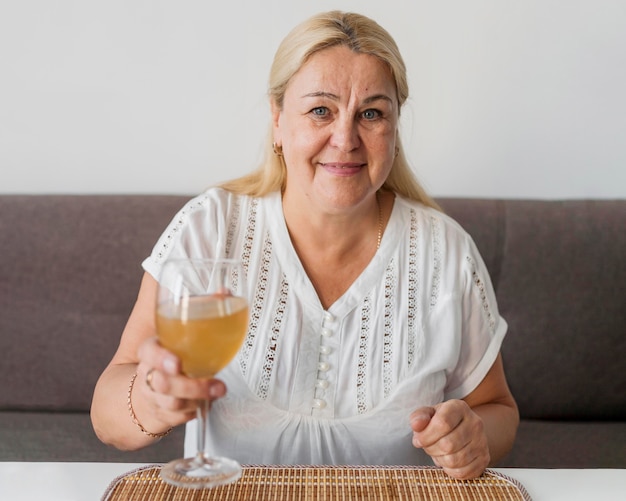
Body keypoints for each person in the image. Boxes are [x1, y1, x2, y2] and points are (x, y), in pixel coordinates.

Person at [91, 10, 518, 480]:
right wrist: (150, 399)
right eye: (320, 110)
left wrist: (474, 435)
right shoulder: (209, 228)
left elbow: (496, 407)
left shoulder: (447, 252)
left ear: (395, 129)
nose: (345, 138)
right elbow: (107, 414)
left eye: (372, 113)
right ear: (277, 121)